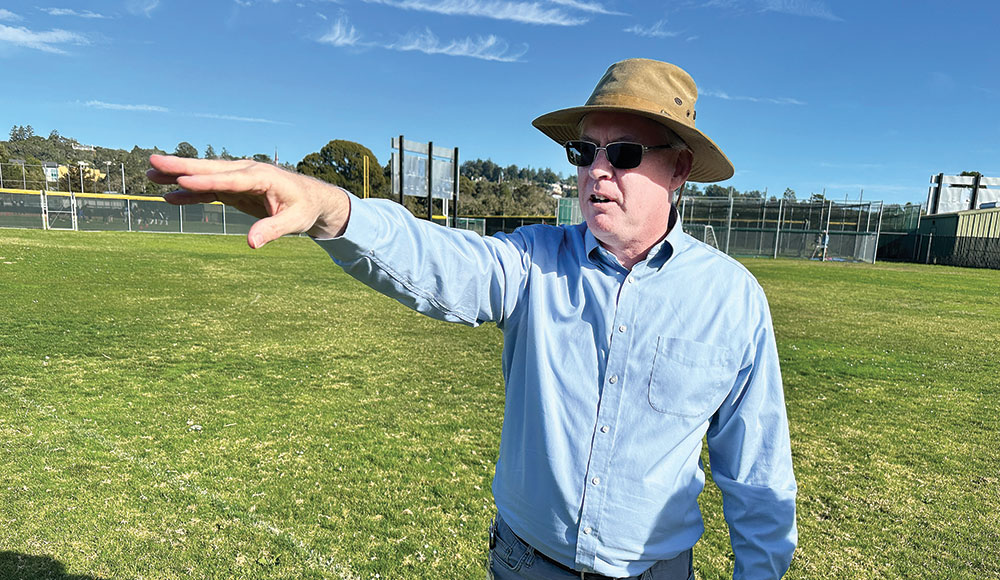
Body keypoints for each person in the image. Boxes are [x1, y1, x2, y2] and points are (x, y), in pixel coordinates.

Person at [148, 58, 797, 580]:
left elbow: (757, 471)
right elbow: (436, 260)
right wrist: (332, 210)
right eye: (584, 152)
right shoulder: (533, 260)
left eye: (623, 154)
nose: (598, 170)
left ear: (678, 169)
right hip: (527, 563)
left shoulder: (732, 300)